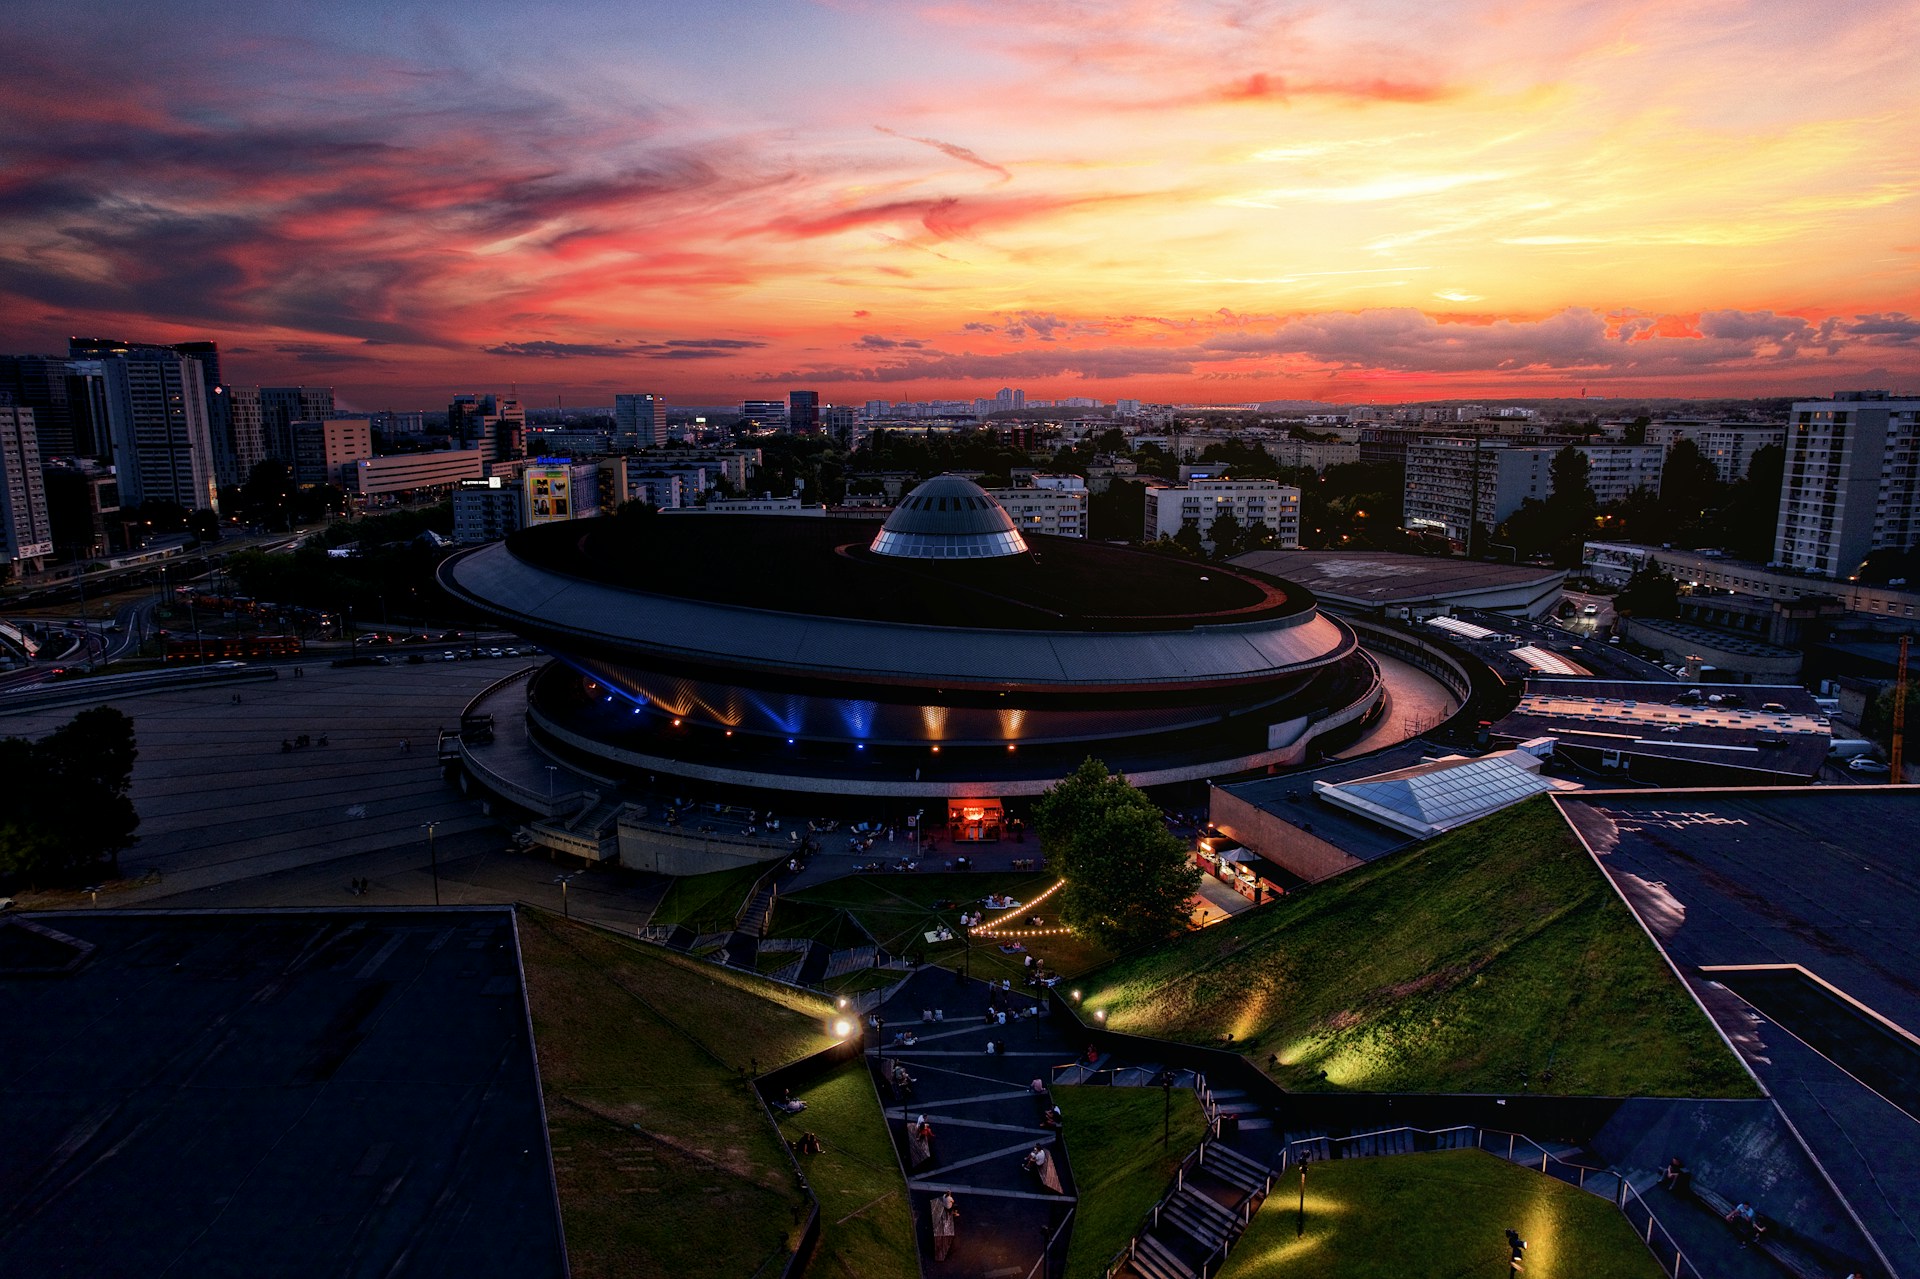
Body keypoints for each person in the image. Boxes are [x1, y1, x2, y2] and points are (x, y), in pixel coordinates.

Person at [931, 1192, 959, 1261]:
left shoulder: (944, 1196)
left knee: (950, 1205)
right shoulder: (950, 1198)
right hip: (948, 1208)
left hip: (944, 1206)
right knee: (955, 1206)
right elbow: (953, 1201)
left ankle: (953, 1212)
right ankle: (955, 1213)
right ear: (949, 1194)